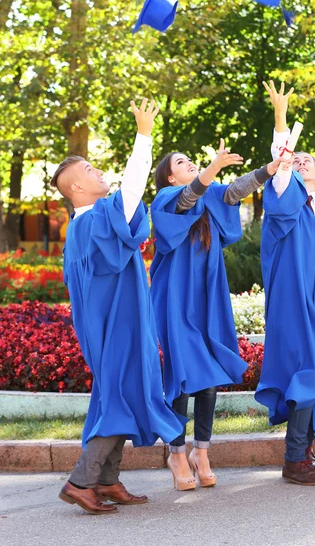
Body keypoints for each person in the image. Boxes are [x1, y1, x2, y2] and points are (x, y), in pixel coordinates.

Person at [50, 99, 185, 515]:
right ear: (75, 188)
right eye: (89, 171)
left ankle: (107, 480)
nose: (98, 172)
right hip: (116, 329)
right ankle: (80, 481)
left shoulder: (86, 225)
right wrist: (143, 136)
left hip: (118, 324)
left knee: (121, 394)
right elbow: (131, 192)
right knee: (122, 396)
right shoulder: (92, 222)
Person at [150, 137, 285, 491]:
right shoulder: (166, 199)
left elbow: (233, 191)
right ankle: (176, 453)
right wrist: (211, 169)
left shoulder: (208, 191)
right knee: (181, 376)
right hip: (176, 300)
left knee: (209, 376)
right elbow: (188, 198)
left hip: (207, 297)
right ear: (169, 177)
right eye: (180, 163)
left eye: (189, 159)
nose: (188, 163)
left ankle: (202, 452)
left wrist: (267, 170)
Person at [255, 81, 315, 486]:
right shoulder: (285, 195)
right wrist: (281, 117)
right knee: (304, 368)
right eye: (296, 161)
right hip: (294, 299)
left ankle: (305, 450)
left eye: (308, 161)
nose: (301, 163)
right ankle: (293, 458)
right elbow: (281, 159)